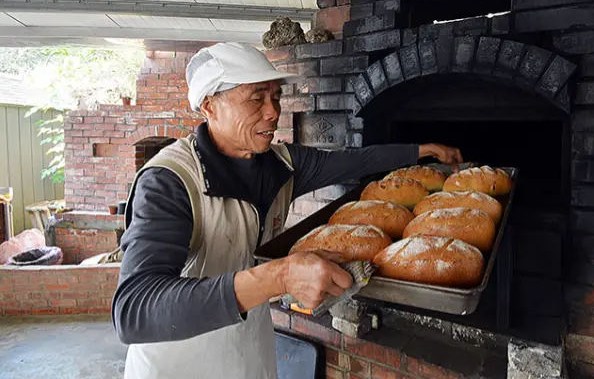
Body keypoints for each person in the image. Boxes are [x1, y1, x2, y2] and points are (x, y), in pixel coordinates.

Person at [111, 42, 462, 379]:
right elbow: (134, 310)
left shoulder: (282, 164)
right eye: (256, 99)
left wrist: (421, 150)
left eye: (276, 96)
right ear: (209, 106)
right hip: (180, 366)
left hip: (253, 356)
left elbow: (353, 161)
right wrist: (279, 277)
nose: (273, 111)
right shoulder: (171, 180)